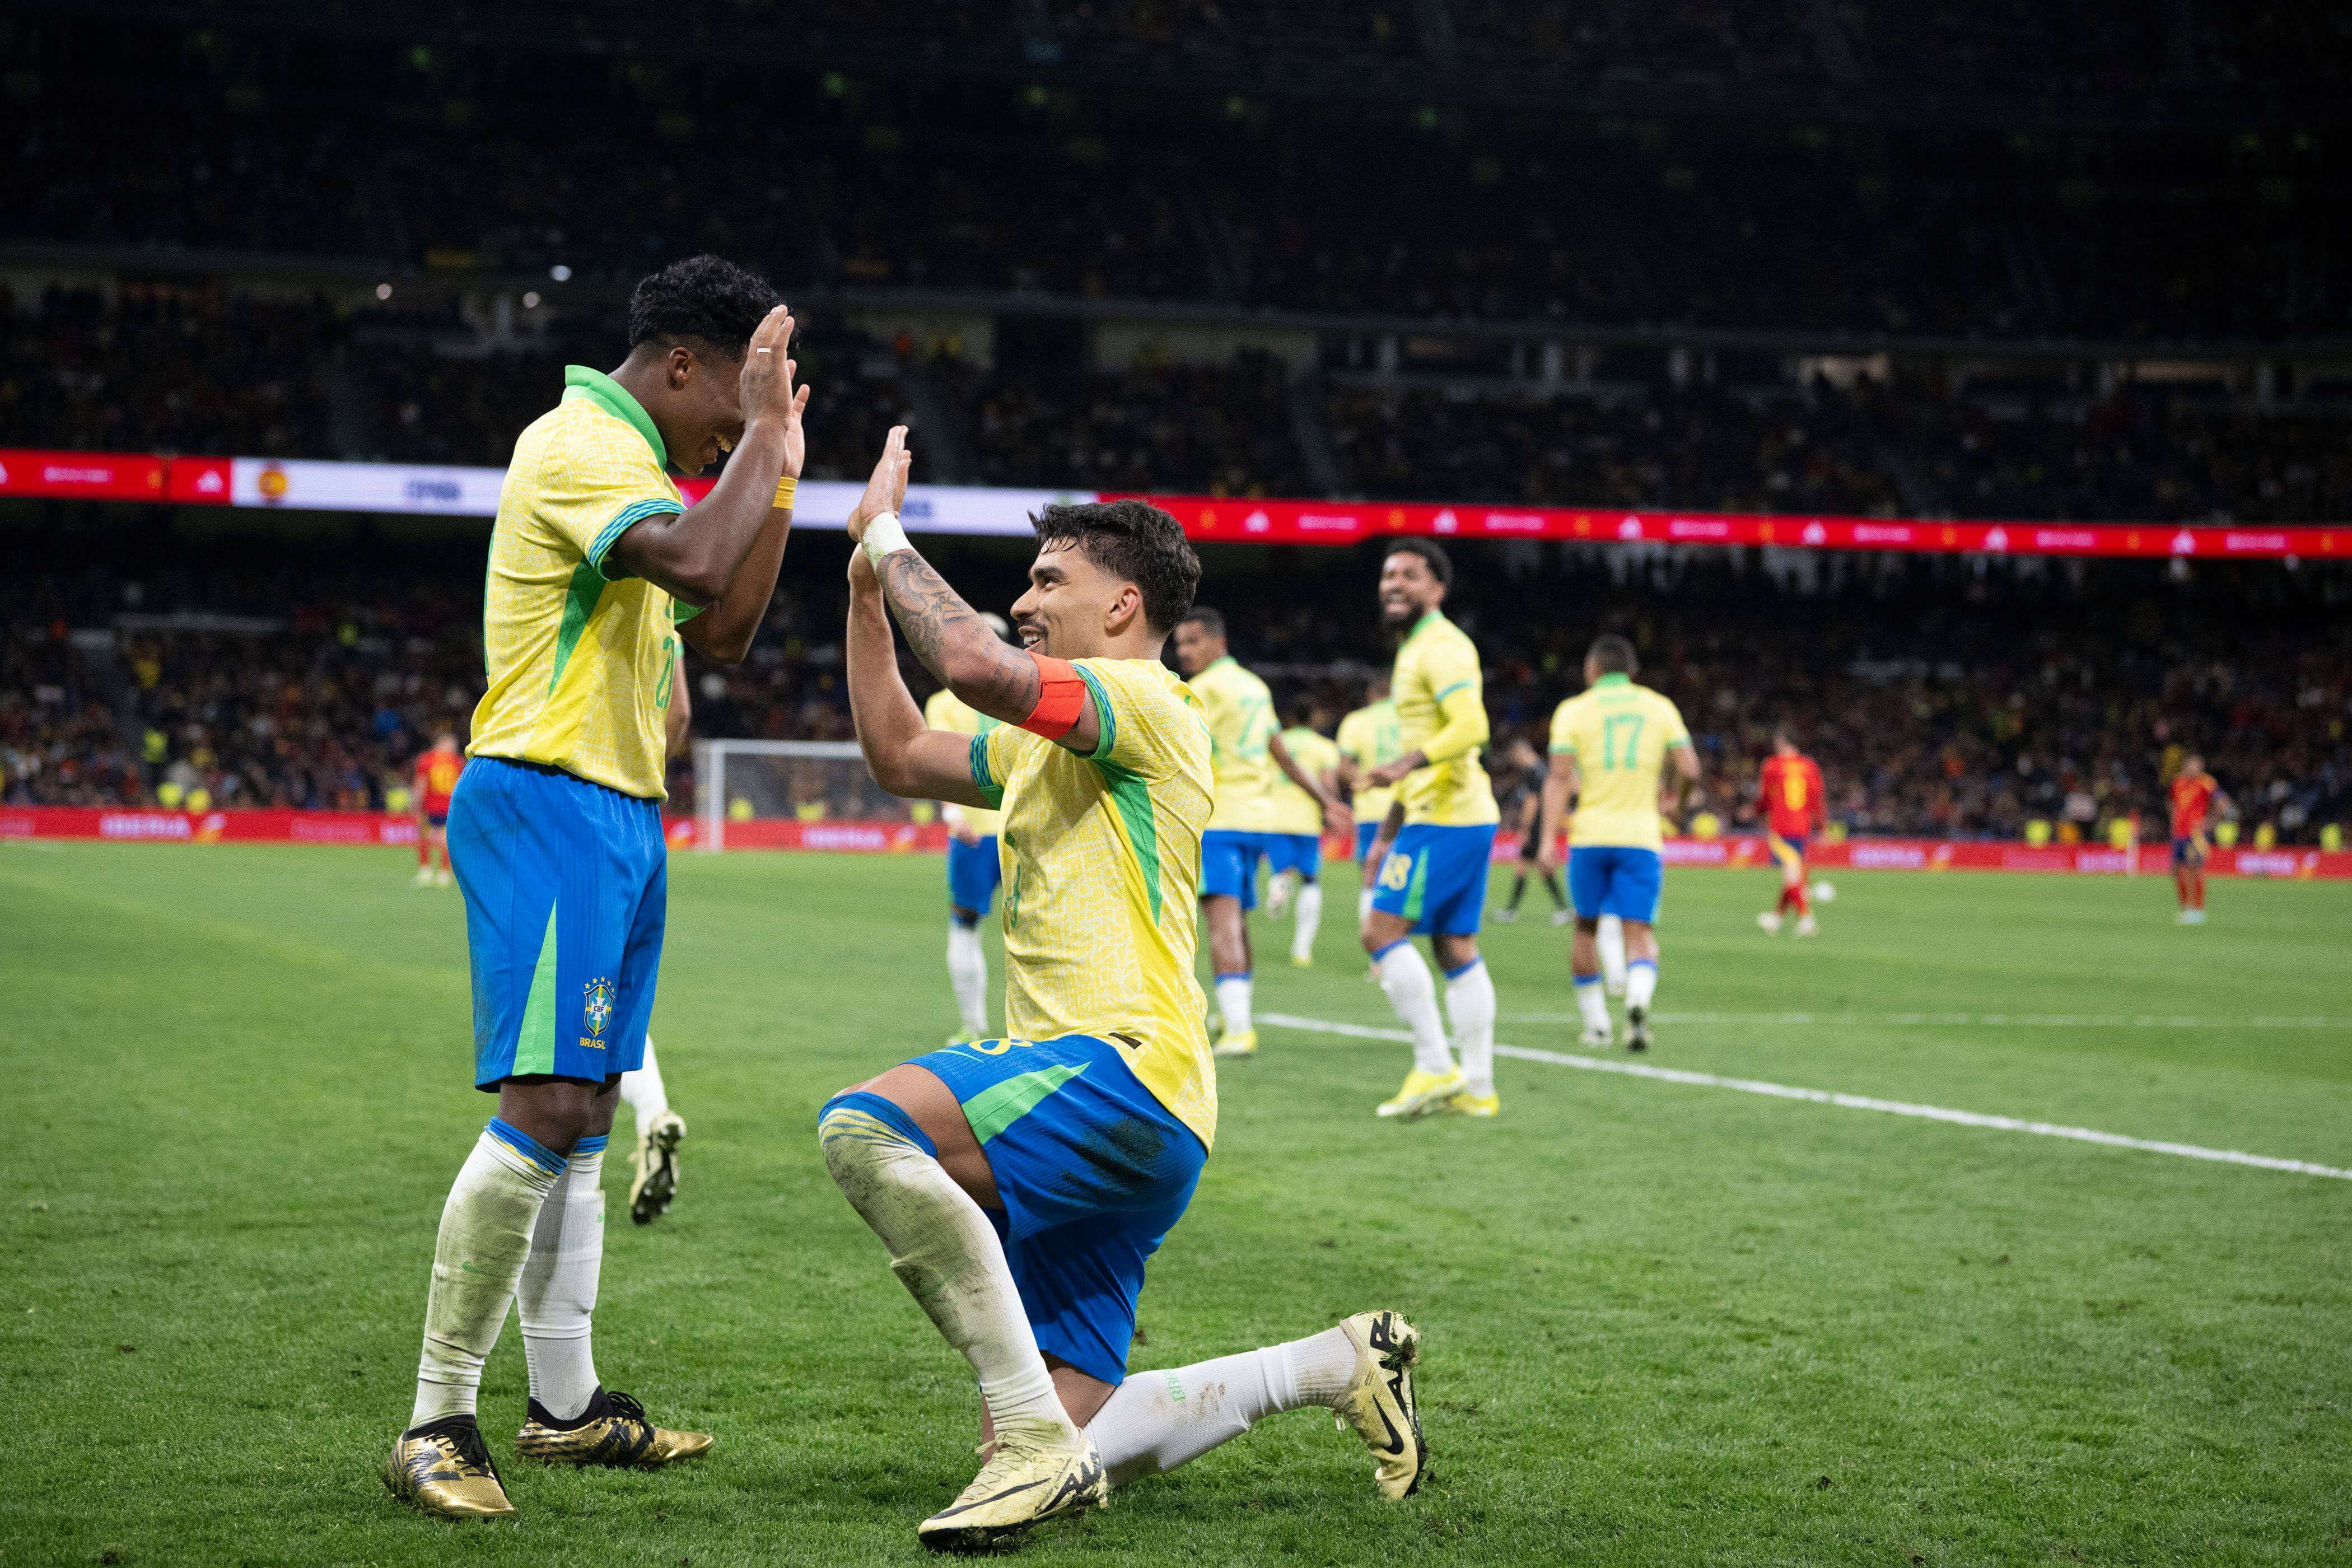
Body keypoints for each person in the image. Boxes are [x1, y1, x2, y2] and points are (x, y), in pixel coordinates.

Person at [830, 433, 1426, 1550]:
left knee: (866, 1127)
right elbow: (903, 752)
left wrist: (887, 535)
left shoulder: (1148, 698)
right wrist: (866, 590)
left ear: (1124, 605)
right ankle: (1338, 1361)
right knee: (1072, 1432)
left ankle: (1028, 1434)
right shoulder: (1044, 746)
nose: (1024, 597)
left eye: (1050, 578)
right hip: (1141, 1110)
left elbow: (965, 666)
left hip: (1114, 1069)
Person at [385, 256, 809, 1519]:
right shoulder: (579, 443)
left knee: (589, 1113)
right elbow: (691, 561)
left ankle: (564, 1407)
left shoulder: (649, 467)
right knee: (547, 1097)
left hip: (620, 805)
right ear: (681, 362)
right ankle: (434, 1417)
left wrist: (777, 461)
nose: (732, 427)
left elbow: (722, 625)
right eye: (732, 402)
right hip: (548, 790)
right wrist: (767, 441)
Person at [1357, 540, 1501, 1121]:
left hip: (1447, 815)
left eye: (1409, 576)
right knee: (1455, 947)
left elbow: (1473, 725)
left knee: (1379, 931)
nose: (1394, 584)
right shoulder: (1418, 648)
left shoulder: (1439, 646)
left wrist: (1406, 765)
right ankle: (1479, 1086)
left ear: (1437, 589)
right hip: (1451, 813)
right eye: (1388, 575)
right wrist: (1390, 828)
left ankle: (1435, 1063)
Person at [1173, 609, 1348, 1058]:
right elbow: (1284, 757)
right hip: (1258, 821)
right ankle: (1232, 1017)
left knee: (1221, 920)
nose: (1184, 652)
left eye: (1192, 642)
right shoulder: (1255, 687)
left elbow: (1178, 758)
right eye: (1180, 644)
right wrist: (1326, 802)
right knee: (1238, 921)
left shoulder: (1200, 691)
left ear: (1217, 641)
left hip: (1218, 821)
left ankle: (1238, 1028)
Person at [1539, 634, 1700, 1053]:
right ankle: (1637, 999)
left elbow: (1557, 779)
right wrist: (1676, 804)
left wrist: (1545, 841)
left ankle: (1596, 1027)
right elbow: (1691, 768)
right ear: (1632, 672)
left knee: (1586, 928)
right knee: (1639, 931)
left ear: (1592, 670)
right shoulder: (1659, 707)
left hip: (1590, 835)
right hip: (1641, 837)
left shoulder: (1573, 710)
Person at [620, 642, 692, 1225]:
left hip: (569, 801)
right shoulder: (665, 610)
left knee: (570, 1019)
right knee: (617, 1002)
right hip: (642, 819)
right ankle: (652, 1116)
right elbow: (682, 718)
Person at [924, 612, 1018, 1043]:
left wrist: (951, 814)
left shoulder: (944, 702)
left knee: (964, 924)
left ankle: (974, 1026)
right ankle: (1036, 1029)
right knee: (1037, 930)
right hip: (1024, 830)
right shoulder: (1024, 698)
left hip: (975, 831)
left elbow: (942, 763)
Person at [1263, 699, 1344, 967]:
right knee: (1310, 879)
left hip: (1275, 817)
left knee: (1281, 870)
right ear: (1313, 719)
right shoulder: (1324, 747)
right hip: (1307, 821)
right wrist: (1332, 810)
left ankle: (1278, 887)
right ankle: (1302, 949)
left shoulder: (1276, 742)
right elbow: (1328, 782)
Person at [1334, 674, 1404, 931]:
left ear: (1371, 693)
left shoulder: (1357, 721)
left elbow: (1344, 769)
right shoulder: (1408, 718)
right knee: (1401, 879)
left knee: (1371, 878)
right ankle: (1396, 938)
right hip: (1407, 807)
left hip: (1371, 811)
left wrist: (1364, 779)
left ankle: (1374, 944)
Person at [1754, 727, 1827, 937]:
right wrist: (1821, 827)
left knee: (1791, 874)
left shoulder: (1772, 765)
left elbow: (1766, 797)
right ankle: (1775, 919)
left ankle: (1807, 919)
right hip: (1803, 825)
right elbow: (1817, 799)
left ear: (1780, 742)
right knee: (1793, 873)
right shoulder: (1809, 766)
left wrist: (1756, 811)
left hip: (1781, 826)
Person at [1492, 736, 1569, 925]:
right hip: (1543, 824)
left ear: (1520, 753)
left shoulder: (1532, 772)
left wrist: (1524, 828)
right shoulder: (1544, 769)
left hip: (1535, 826)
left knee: (1537, 867)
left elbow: (1532, 802)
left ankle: (1563, 909)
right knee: (1529, 866)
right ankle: (1514, 910)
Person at [2168, 753, 2233, 925]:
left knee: (2193, 868)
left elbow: (2223, 802)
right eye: (2192, 765)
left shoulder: (2206, 782)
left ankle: (2198, 909)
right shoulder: (2177, 782)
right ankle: (2185, 907)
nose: (2194, 768)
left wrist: (2210, 822)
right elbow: (2175, 806)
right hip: (2178, 834)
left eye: (2197, 765)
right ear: (2186, 765)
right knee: (2175, 871)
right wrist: (2173, 827)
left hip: (2195, 834)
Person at [412, 731, 465, 888]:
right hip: (450, 807)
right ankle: (444, 874)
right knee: (445, 840)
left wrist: (416, 803)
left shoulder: (426, 759)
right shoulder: (457, 761)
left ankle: (425, 872)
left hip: (430, 806)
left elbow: (421, 783)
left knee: (423, 837)